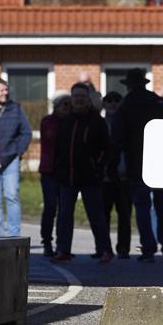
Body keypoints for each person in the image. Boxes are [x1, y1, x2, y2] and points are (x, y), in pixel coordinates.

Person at [111, 70, 163, 262]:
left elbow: (117, 138)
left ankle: (148, 249)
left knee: (142, 206)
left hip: (137, 163)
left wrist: (113, 163)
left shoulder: (127, 105)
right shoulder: (159, 101)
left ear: (128, 85)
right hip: (161, 163)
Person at [52, 83, 113, 263]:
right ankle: (63, 250)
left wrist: (98, 167)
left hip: (90, 177)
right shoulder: (65, 121)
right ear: (71, 99)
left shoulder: (97, 122)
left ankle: (105, 250)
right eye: (75, 96)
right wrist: (57, 168)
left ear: (88, 99)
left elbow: (107, 149)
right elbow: (58, 148)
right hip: (66, 178)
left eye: (82, 96)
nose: (79, 99)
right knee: (64, 216)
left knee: (96, 216)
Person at [0, 78, 32, 239]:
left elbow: (26, 133)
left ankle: (14, 236)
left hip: (10, 159)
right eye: (1, 90)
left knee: (11, 196)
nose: (5, 93)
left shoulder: (15, 109)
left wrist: (18, 152)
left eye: (6, 89)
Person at [101, 92, 132, 259]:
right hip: (105, 176)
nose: (113, 104)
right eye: (109, 101)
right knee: (103, 214)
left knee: (125, 214)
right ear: (104, 104)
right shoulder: (101, 124)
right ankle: (104, 248)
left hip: (123, 176)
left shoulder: (126, 122)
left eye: (116, 101)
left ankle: (123, 248)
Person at [38, 94, 69, 256]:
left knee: (64, 209)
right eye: (64, 104)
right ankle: (47, 241)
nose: (67, 108)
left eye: (69, 105)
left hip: (65, 171)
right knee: (51, 207)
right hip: (49, 171)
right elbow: (51, 137)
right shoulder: (48, 122)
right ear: (56, 106)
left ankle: (62, 244)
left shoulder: (71, 122)